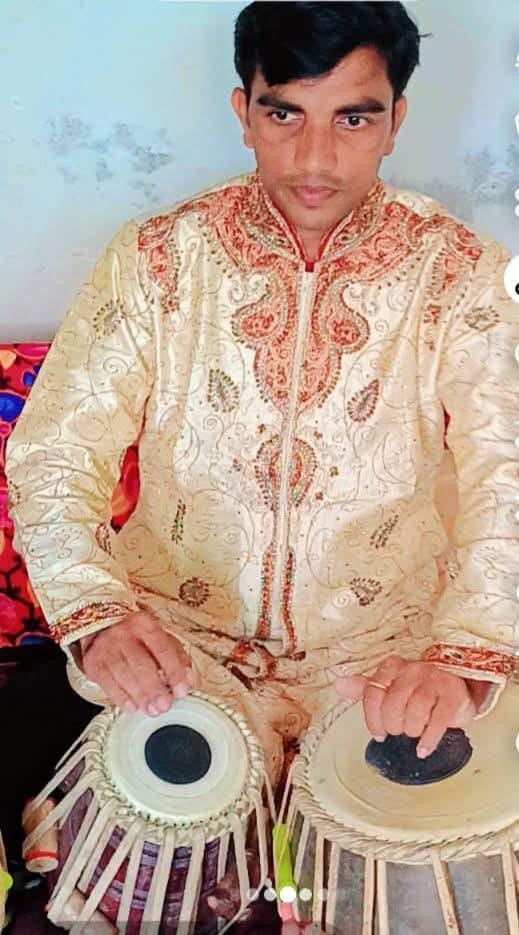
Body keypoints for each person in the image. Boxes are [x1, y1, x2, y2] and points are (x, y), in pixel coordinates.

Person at [6, 1, 519, 929]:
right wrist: (96, 613)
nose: (315, 157)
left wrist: (462, 654)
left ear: (396, 120)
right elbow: (55, 450)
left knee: (436, 887)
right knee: (128, 882)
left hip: (384, 664)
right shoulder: (157, 258)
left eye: (353, 117)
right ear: (242, 110)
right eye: (285, 113)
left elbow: (507, 470)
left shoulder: (460, 274)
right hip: (178, 653)